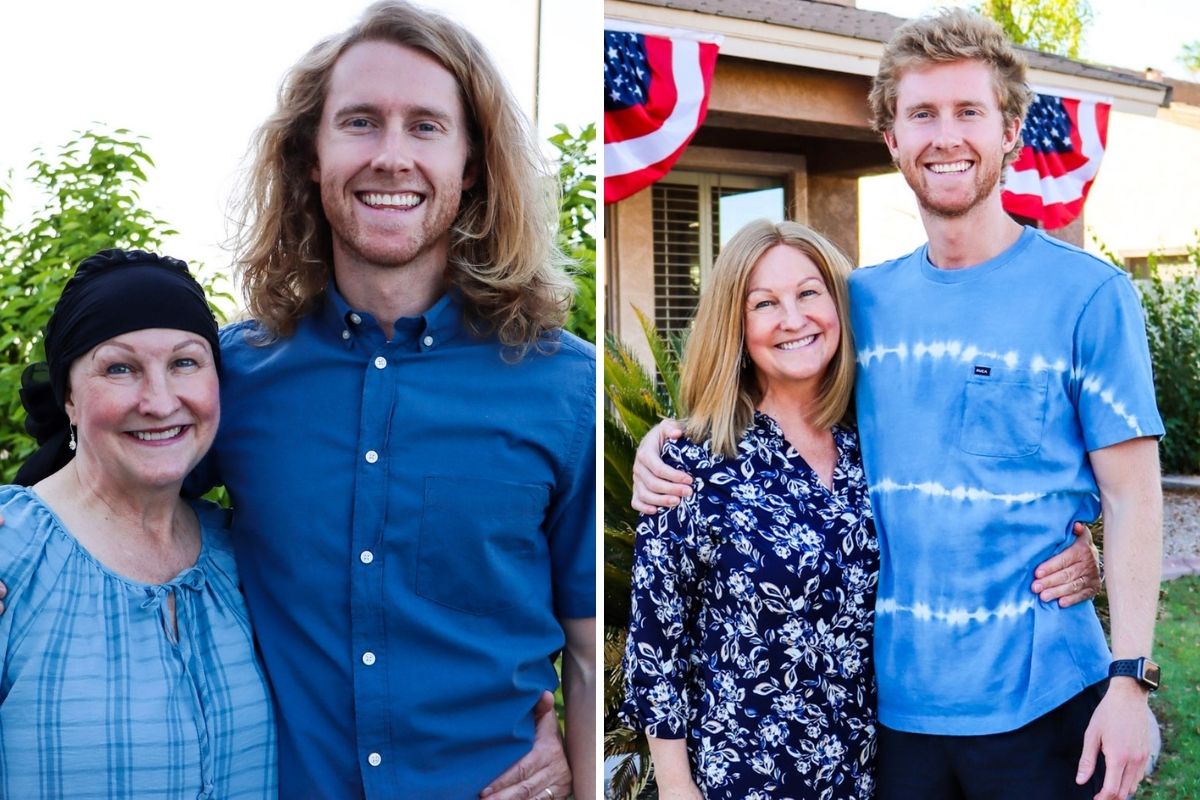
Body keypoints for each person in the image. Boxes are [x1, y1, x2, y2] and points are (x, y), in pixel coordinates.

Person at [631, 9, 1162, 800]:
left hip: (1049, 705)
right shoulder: (859, 304)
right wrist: (664, 447)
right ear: (891, 138)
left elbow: (1133, 493)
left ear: (1011, 129)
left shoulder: (1089, 296)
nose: (945, 137)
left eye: (968, 112)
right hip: (891, 725)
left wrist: (1130, 679)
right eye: (922, 114)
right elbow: (773, 383)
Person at [196, 2, 595, 798]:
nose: (390, 156)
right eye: (359, 122)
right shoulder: (231, 379)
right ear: (311, 154)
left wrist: (579, 773)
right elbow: (109, 513)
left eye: (425, 127)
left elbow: (590, 658)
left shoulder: (563, 387)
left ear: (471, 164)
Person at [0, 249, 276, 798]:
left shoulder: (243, 557)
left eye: (185, 363)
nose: (158, 400)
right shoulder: (14, 555)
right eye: (119, 368)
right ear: (70, 398)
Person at [622, 220, 877, 799]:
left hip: (879, 773)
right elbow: (657, 648)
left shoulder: (880, 444)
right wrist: (675, 787)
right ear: (736, 325)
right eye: (765, 303)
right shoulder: (690, 464)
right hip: (745, 780)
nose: (793, 319)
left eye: (809, 293)